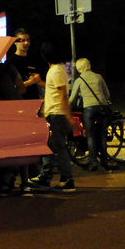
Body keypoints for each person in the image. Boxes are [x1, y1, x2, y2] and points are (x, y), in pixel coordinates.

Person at [28, 42, 75, 192]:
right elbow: (53, 89)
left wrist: (68, 116)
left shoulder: (56, 71)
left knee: (58, 148)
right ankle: (47, 177)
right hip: (53, 114)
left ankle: (67, 180)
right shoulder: (56, 70)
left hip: (57, 115)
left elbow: (63, 95)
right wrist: (38, 82)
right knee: (50, 146)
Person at [69, 58, 113, 171]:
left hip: (89, 109)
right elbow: (107, 94)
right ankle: (105, 161)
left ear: (79, 68)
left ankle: (93, 163)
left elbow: (72, 99)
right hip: (102, 108)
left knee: (91, 136)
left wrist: (66, 107)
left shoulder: (79, 80)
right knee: (102, 135)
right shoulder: (99, 77)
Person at [8, 29, 46, 100]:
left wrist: (38, 81)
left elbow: (42, 82)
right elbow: (11, 88)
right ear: (15, 42)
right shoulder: (11, 62)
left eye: (28, 40)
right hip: (20, 101)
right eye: (22, 40)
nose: (26, 43)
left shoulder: (34, 58)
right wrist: (30, 82)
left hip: (35, 100)